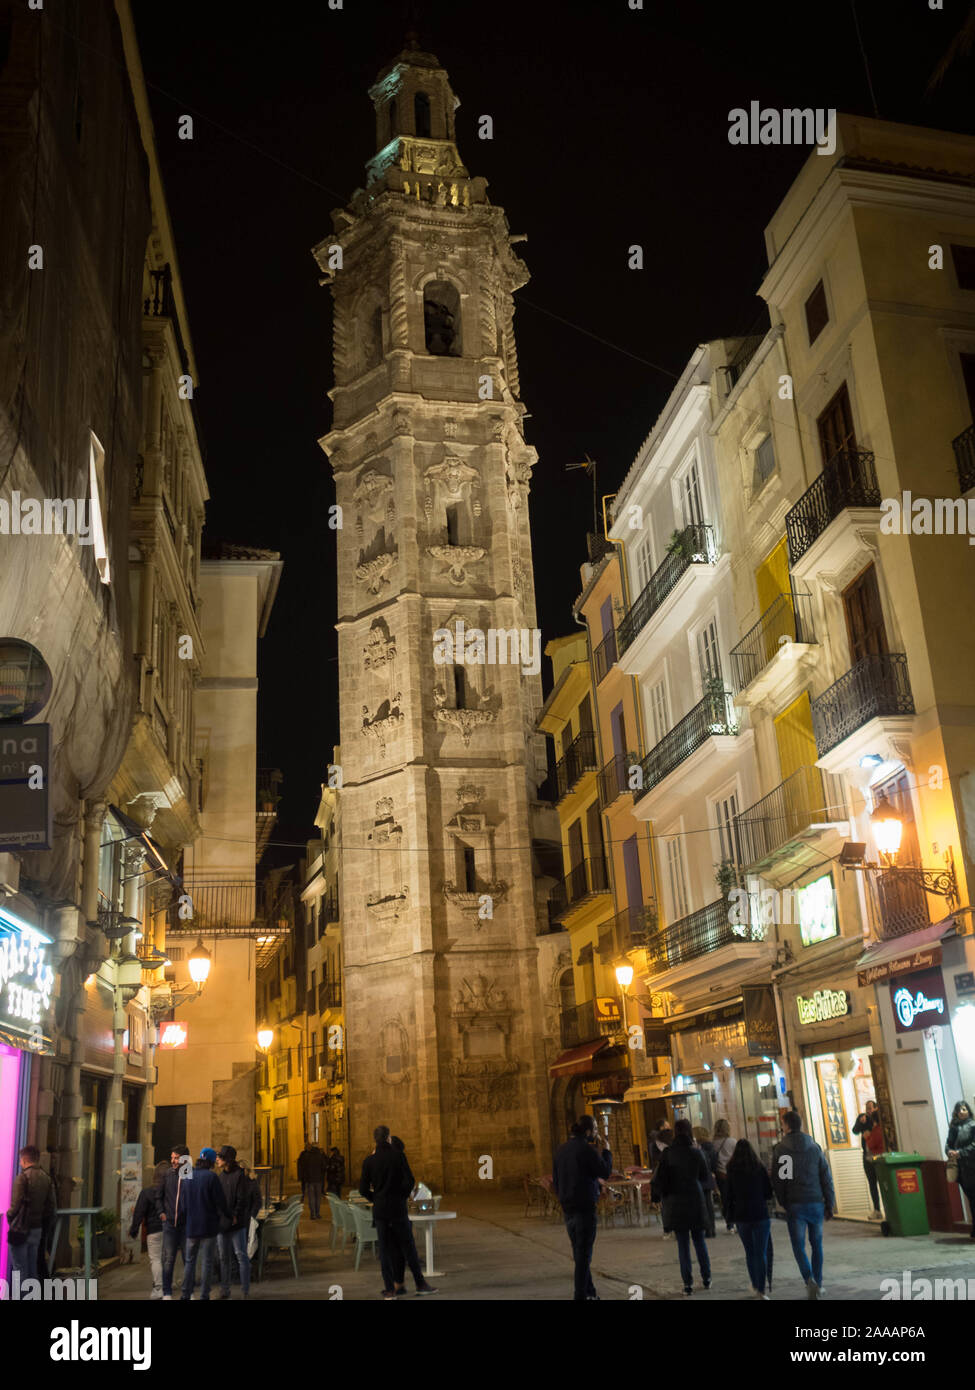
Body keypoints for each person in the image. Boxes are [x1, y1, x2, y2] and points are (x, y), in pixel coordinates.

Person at [359, 1125, 438, 1299]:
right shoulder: (398, 1156)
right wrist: (400, 1196)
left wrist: (376, 1199)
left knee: (386, 1250)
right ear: (388, 1138)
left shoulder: (369, 1161)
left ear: (375, 1140)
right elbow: (409, 1181)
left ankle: (390, 1289)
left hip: (380, 1211)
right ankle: (420, 1284)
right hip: (398, 1209)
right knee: (408, 1247)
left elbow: (363, 1189)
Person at [771, 1110, 835, 1300]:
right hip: (815, 1202)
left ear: (787, 1126)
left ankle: (809, 1279)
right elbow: (826, 1177)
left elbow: (781, 1179)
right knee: (817, 1244)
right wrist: (829, 1202)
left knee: (798, 1245)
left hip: (795, 1204)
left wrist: (783, 1200)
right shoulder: (814, 1147)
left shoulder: (782, 1150)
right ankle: (819, 1282)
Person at [552, 1114, 613, 1301]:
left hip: (567, 1208)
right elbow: (604, 1172)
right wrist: (607, 1152)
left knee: (578, 1252)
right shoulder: (587, 1150)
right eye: (595, 1130)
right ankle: (580, 1294)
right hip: (584, 1208)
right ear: (587, 1131)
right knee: (584, 1254)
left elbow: (556, 1181)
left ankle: (590, 1291)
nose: (596, 1133)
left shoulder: (561, 1150)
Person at [651, 1118, 712, 1296]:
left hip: (676, 1203)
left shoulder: (668, 1154)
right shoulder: (696, 1153)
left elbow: (661, 1178)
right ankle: (706, 1278)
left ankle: (687, 1284)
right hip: (695, 1200)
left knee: (683, 1245)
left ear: (675, 1133)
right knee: (700, 1241)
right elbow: (704, 1175)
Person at [178, 1147, 229, 1301]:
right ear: (212, 1161)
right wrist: (229, 1215)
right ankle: (204, 1295)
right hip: (209, 1226)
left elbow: (183, 1203)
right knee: (207, 1262)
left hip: (192, 1227)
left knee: (189, 1261)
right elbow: (221, 1202)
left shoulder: (188, 1176)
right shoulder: (212, 1177)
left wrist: (184, 1220)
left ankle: (185, 1294)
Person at [726, 1139, 774, 1299]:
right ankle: (762, 1289)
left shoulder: (731, 1169)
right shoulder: (759, 1168)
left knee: (750, 1252)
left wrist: (729, 1216)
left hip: (741, 1216)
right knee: (761, 1253)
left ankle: (754, 1283)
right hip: (760, 1214)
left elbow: (728, 1196)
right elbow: (768, 1192)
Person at [6, 1145, 55, 1281]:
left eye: (21, 1160)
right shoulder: (46, 1178)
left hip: (21, 1230)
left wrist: (9, 1217)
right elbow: (50, 1207)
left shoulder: (22, 1178)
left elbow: (15, 1206)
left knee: (20, 1270)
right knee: (33, 1269)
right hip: (37, 1229)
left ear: (24, 1160)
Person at [216, 1145, 256, 1299]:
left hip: (236, 1224)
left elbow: (242, 1198)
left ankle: (245, 1290)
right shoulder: (221, 1177)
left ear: (227, 1159)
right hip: (222, 1224)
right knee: (223, 1257)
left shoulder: (239, 1175)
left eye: (220, 1156)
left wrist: (234, 1215)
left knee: (241, 1256)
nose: (217, 1159)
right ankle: (224, 1289)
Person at [129, 1161, 168, 1299]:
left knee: (156, 1260)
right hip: (169, 1230)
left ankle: (158, 1288)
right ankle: (167, 1285)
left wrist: (134, 1230)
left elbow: (139, 1213)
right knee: (167, 1259)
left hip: (153, 1230)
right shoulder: (171, 1192)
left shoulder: (146, 1192)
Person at [160, 1145, 189, 1300]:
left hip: (186, 1225)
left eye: (176, 1158)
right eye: (172, 1157)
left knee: (188, 1259)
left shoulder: (190, 1176)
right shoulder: (167, 1175)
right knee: (168, 1258)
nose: (173, 1161)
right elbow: (159, 1195)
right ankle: (167, 1292)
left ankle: (188, 1291)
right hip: (170, 1224)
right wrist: (161, 1212)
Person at [946, 1100, 975, 1238]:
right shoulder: (954, 1128)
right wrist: (950, 1152)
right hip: (961, 1169)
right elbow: (948, 1144)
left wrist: (961, 1152)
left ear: (968, 1110)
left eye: (964, 1109)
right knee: (971, 1198)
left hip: (972, 1165)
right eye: (959, 1110)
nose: (962, 1112)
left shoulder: (973, 1125)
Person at [852, 1100, 883, 1218]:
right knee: (872, 1182)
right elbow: (855, 1130)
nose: (868, 1110)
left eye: (870, 1108)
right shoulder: (863, 1117)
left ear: (875, 1108)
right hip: (867, 1155)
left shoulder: (878, 1120)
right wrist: (860, 1123)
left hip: (878, 1155)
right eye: (867, 1108)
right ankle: (877, 1209)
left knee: (882, 1182)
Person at [712, 1118, 737, 1231]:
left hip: (720, 1174)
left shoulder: (713, 1143)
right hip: (732, 1173)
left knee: (725, 1198)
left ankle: (729, 1223)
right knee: (734, 1197)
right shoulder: (732, 1141)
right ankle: (736, 1219)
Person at [297, 1141, 327, 1219]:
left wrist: (304, 1177)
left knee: (311, 1197)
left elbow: (303, 1167)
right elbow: (324, 1167)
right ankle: (317, 1213)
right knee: (318, 1197)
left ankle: (312, 1214)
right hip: (318, 1180)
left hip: (310, 1180)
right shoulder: (320, 1156)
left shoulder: (307, 1156)